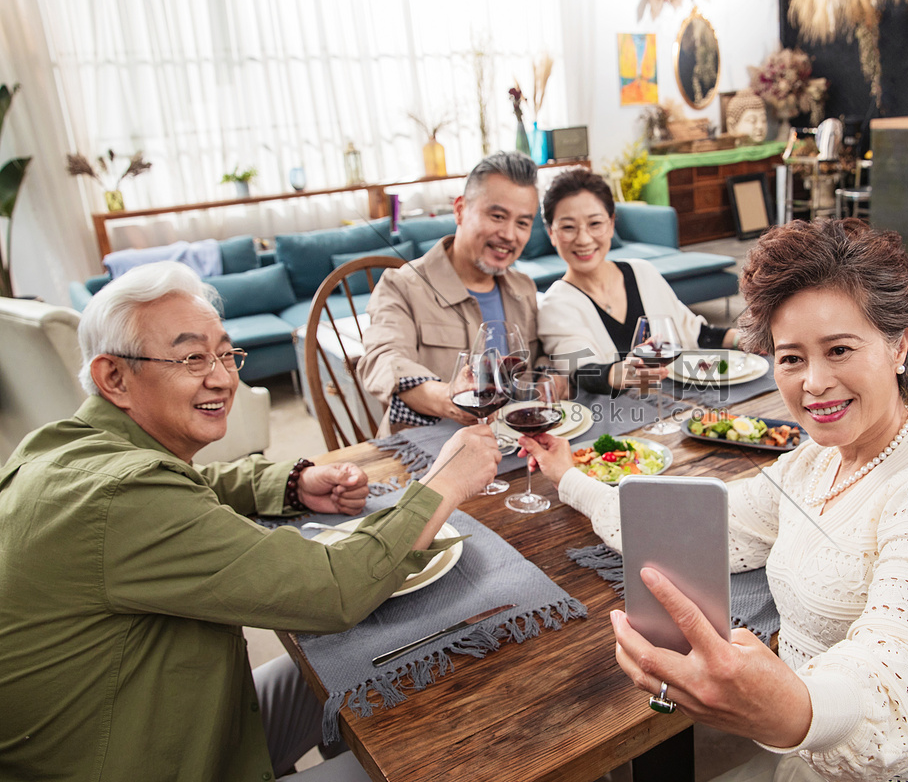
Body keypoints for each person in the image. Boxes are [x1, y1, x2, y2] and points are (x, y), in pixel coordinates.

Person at [522, 219, 908, 782]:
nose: (814, 383)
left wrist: (780, 709)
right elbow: (682, 526)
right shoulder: (815, 463)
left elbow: (895, 697)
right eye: (792, 358)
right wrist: (568, 476)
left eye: (840, 349)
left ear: (900, 345)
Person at [0, 261, 500, 781]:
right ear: (114, 377)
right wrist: (444, 482)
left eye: (223, 353)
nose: (221, 377)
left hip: (185, 719)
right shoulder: (124, 496)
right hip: (154, 760)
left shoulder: (63, 447)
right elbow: (333, 589)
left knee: (369, 660)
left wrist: (291, 481)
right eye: (193, 357)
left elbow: (185, 487)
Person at [358, 151, 544, 431]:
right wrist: (449, 396)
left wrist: (548, 379)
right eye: (497, 216)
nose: (509, 234)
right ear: (459, 210)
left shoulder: (523, 287)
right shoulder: (400, 285)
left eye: (522, 223)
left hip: (509, 446)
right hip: (426, 453)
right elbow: (383, 361)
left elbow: (537, 361)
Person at [537, 168, 740, 395]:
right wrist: (622, 372)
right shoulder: (556, 304)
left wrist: (742, 339)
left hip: (681, 404)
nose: (583, 239)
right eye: (567, 227)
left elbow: (694, 332)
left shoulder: (643, 272)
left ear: (612, 224)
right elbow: (582, 371)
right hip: (618, 418)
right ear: (551, 233)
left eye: (595, 224)